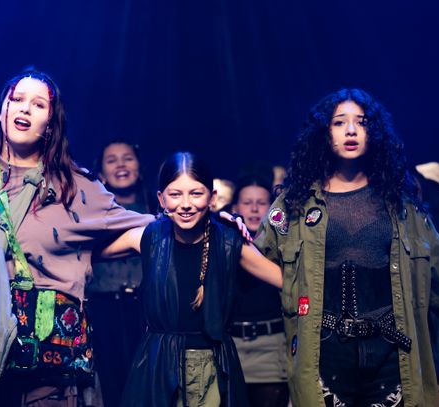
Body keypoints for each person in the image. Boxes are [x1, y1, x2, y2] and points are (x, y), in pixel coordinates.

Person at [0, 69, 155, 407]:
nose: (24, 108)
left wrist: (206, 223)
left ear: (50, 123)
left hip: (49, 366)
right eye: (17, 99)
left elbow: (147, 229)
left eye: (38, 104)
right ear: (1, 112)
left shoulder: (76, 185)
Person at [255, 89, 439, 406]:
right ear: (323, 132)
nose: (351, 130)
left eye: (362, 122)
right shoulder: (296, 202)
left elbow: (435, 273)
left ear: (375, 132)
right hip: (325, 352)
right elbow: (259, 257)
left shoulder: (401, 202)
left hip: (391, 354)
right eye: (339, 122)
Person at [97, 152, 282, 407]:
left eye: (196, 193)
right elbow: (83, 251)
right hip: (158, 366)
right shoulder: (148, 237)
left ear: (212, 197)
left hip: (212, 367)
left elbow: (289, 281)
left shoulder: (229, 242)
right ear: (161, 198)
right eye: (175, 194)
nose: (185, 204)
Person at [86, 139, 154, 407]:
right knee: (111, 386)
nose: (121, 165)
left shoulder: (158, 210)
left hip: (146, 310)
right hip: (103, 310)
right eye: (112, 160)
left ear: (139, 166)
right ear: (101, 173)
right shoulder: (89, 213)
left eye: (127, 158)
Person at [229, 176, 289, 407]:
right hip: (231, 349)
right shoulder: (223, 243)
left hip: (272, 351)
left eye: (261, 203)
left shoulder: (285, 244)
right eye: (247, 203)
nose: (254, 209)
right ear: (235, 208)